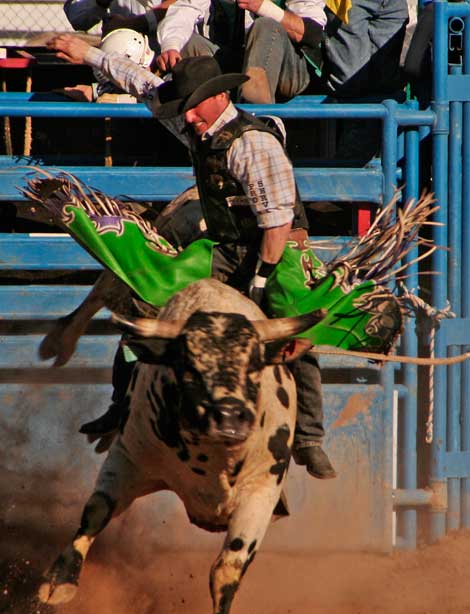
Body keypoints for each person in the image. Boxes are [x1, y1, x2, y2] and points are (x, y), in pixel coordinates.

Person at [47, 35, 337, 479]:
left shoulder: (254, 145)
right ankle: (122, 404)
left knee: (293, 321)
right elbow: (144, 84)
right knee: (145, 299)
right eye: (183, 105)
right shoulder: (200, 124)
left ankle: (310, 437)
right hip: (224, 246)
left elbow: (276, 224)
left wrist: (258, 285)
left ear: (220, 97)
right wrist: (87, 54)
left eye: (194, 105)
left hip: (278, 250)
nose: (186, 114)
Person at [155, 0, 326, 103]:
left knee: (265, 25)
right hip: (235, 62)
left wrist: (264, 7)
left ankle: (256, 120)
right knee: (183, 41)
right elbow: (186, 9)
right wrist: (171, 46)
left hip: (289, 69)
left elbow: (312, 33)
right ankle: (191, 129)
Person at [323, 0, 409, 163]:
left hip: (392, 5)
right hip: (351, 4)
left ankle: (371, 166)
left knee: (385, 86)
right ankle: (349, 168)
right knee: (352, 83)